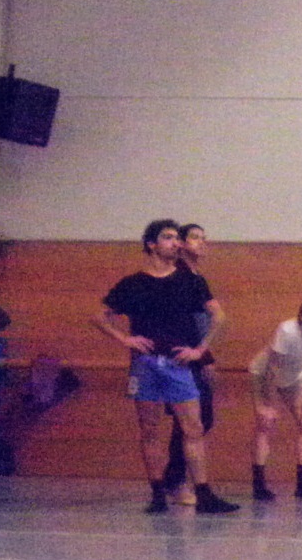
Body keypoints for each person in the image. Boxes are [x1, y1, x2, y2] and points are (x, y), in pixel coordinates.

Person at [96, 219, 237, 514]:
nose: (176, 243)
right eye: (168, 237)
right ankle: (158, 494)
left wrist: (200, 349)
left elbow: (219, 316)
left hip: (178, 363)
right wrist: (125, 339)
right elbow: (99, 316)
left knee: (193, 427)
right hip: (146, 364)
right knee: (150, 429)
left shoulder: (190, 281)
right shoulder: (133, 283)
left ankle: (203, 492)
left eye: (177, 238)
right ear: (152, 244)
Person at [248, 297, 302, 500]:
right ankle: (259, 485)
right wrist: (268, 406)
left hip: (292, 377)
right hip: (262, 374)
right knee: (265, 423)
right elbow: (272, 370)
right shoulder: (287, 331)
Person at [160, 222, 217, 504]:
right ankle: (175, 481)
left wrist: (206, 356)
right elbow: (184, 323)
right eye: (195, 237)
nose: (201, 242)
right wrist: (199, 355)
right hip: (181, 358)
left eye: (204, 238)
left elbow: (202, 323)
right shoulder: (179, 277)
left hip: (195, 356)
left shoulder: (196, 278)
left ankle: (174, 478)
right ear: (181, 244)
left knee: (198, 419)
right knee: (191, 420)